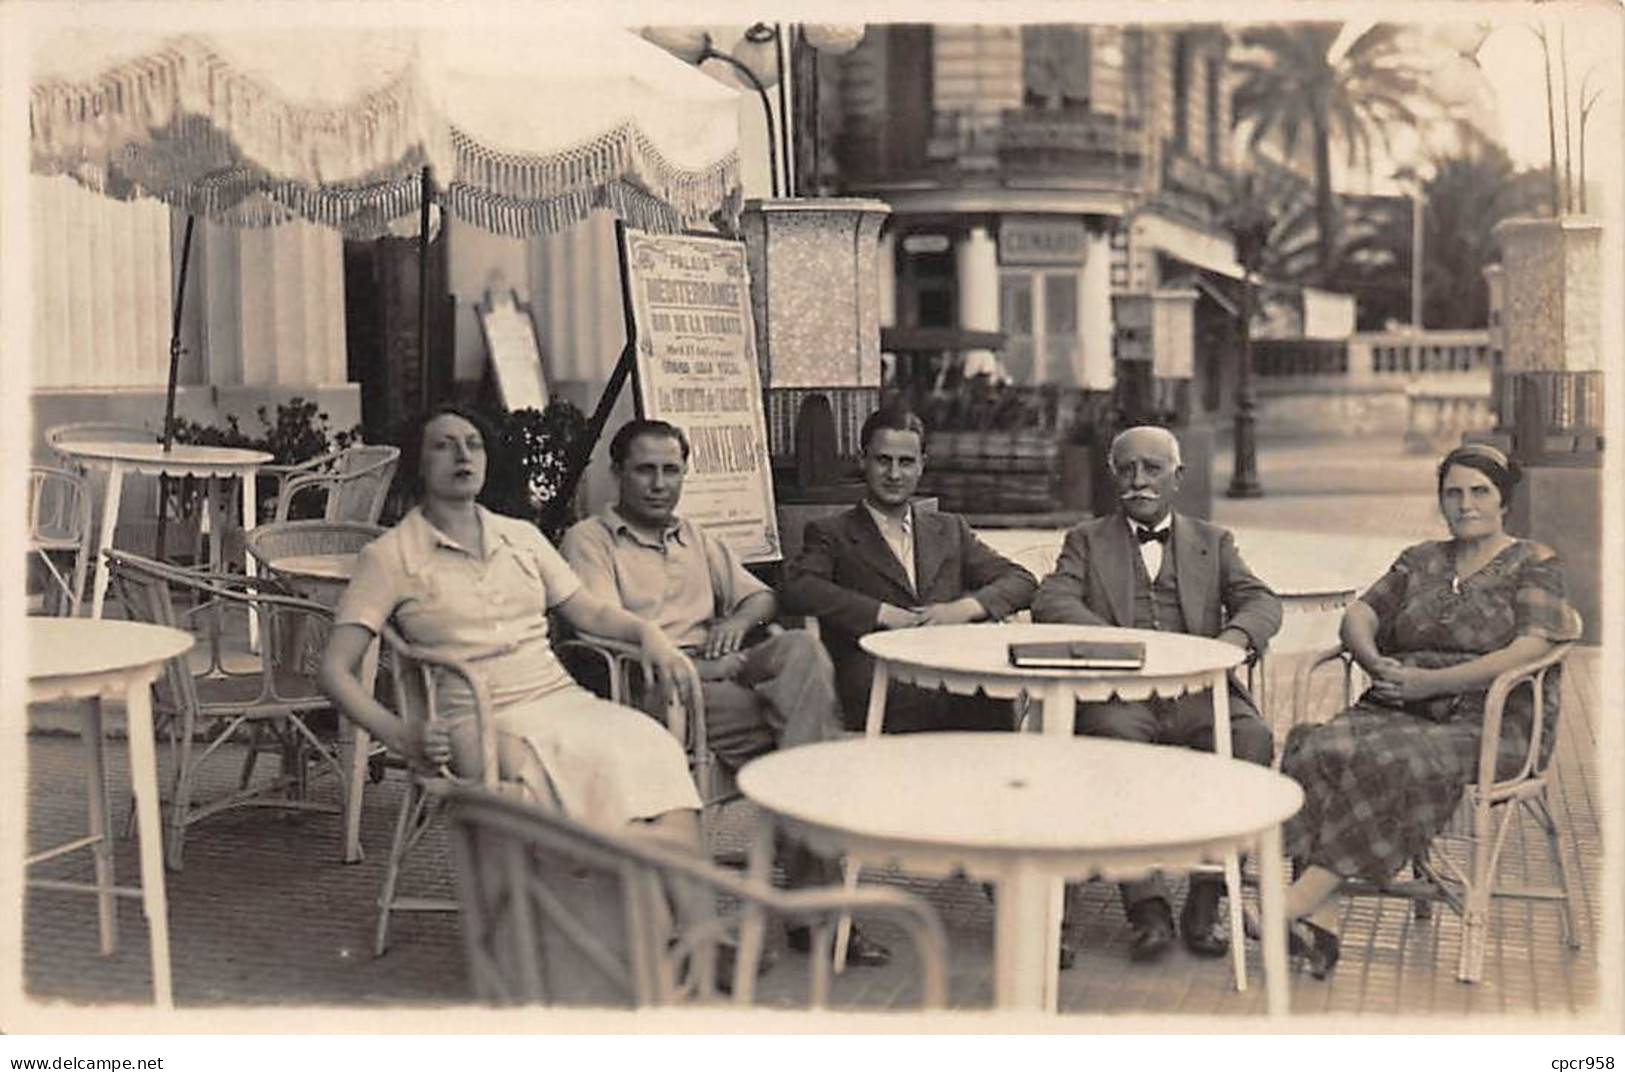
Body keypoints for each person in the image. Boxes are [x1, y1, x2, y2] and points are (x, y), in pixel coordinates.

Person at [317, 404, 708, 875]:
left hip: (559, 700)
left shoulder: (520, 537)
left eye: (474, 444)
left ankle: (680, 916)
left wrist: (649, 635)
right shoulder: (389, 556)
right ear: (418, 464)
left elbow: (588, 610)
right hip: (477, 721)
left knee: (652, 745)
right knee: (560, 777)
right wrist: (400, 734)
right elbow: (334, 671)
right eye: (444, 445)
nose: (463, 454)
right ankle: (602, 912)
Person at [560, 417, 891, 968]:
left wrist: (736, 621)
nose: (659, 483)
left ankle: (812, 857)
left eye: (671, 470)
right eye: (645, 470)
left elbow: (763, 597)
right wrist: (709, 666)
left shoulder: (695, 537)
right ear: (617, 473)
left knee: (803, 654)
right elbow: (601, 632)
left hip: (723, 672)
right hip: (653, 693)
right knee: (810, 744)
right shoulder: (590, 541)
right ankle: (822, 915)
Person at [1273, 443, 1580, 978]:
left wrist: (1431, 683)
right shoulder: (1421, 559)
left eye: (1479, 492)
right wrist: (1375, 663)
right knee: (1317, 744)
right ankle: (1322, 922)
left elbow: (1531, 648)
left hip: (1491, 719)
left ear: (1503, 500)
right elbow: (1361, 614)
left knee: (1402, 761)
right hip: (1398, 703)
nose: (1466, 504)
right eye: (1453, 493)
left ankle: (1292, 906)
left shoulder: (1535, 562)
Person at [1031, 424, 1281, 964]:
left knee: (1251, 740)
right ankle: (1146, 908)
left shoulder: (1214, 542)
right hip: (1121, 697)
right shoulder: (1087, 540)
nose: (1138, 480)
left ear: (1177, 477)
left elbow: (1260, 601)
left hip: (1199, 692)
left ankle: (1206, 898)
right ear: (1113, 476)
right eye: (1126, 469)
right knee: (1111, 751)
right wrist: (1120, 643)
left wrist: (1230, 643)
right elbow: (1051, 600)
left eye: (1152, 468)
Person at [781, 407, 1038, 732]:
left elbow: (1022, 580)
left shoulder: (948, 530)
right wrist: (881, 613)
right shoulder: (832, 533)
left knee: (994, 692)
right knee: (929, 696)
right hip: (878, 672)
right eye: (882, 460)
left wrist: (961, 609)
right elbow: (797, 586)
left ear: (921, 466)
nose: (894, 474)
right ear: (863, 461)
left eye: (906, 462)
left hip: (950, 665)